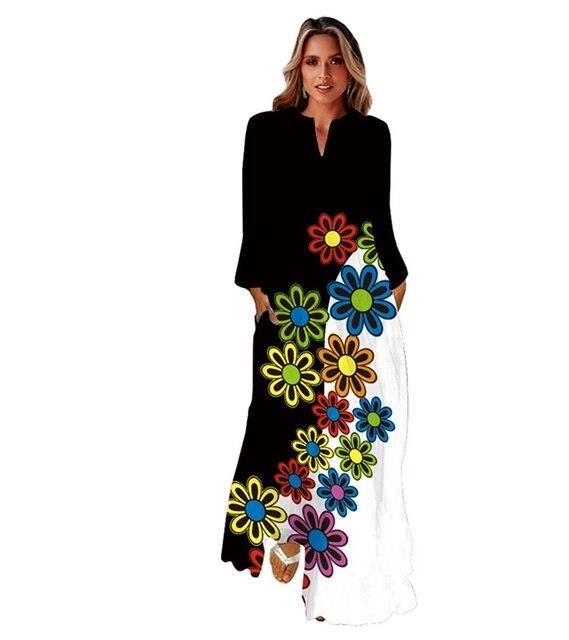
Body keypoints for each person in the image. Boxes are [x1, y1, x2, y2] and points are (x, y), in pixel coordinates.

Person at [221, 16, 417, 625]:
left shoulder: (372, 134)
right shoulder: (266, 130)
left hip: (352, 300)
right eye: (313, 61)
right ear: (298, 67)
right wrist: (260, 297)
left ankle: (324, 572)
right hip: (289, 301)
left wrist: (397, 282)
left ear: (349, 67)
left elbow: (377, 217)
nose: (324, 73)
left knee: (340, 437)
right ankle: (276, 532)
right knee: (278, 418)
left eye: (334, 61)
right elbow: (255, 218)